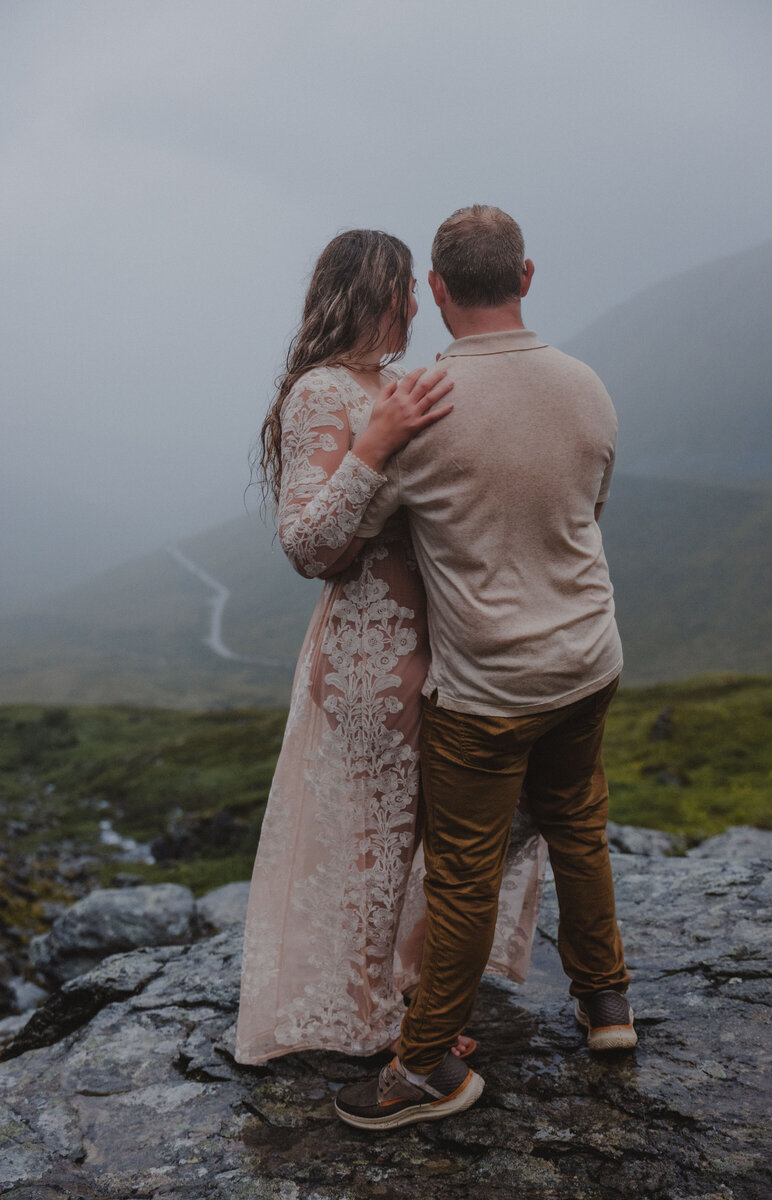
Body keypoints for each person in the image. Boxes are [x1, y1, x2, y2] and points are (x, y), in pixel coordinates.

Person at [334, 206, 636, 1132]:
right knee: (578, 825)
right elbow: (592, 504)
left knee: (463, 876)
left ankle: (422, 1067)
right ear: (527, 276)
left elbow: (344, 537)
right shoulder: (587, 386)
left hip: (487, 688)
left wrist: (370, 446)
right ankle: (608, 1009)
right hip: (588, 658)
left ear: (435, 289)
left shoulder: (420, 406)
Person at [235, 229, 547, 1067]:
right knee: (370, 845)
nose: (417, 304)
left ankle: (418, 989)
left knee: (466, 830)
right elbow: (308, 546)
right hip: (370, 656)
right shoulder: (319, 394)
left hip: (451, 645)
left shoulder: (405, 384)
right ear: (378, 291)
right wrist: (374, 443)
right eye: (407, 287)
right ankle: (372, 1021)